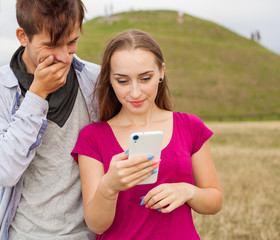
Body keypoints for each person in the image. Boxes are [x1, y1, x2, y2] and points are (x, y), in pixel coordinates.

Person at [71, 29, 223, 239]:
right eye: (123, 81)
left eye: (145, 78)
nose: (135, 92)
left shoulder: (190, 126)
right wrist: (109, 187)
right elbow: (97, 225)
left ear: (161, 72)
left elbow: (215, 201)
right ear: (110, 79)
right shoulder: (93, 137)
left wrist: (188, 191)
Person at [0, 0, 100, 239]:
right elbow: (3, 171)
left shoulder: (97, 81)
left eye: (71, 42)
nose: (63, 56)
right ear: (23, 36)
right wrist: (37, 94)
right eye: (51, 45)